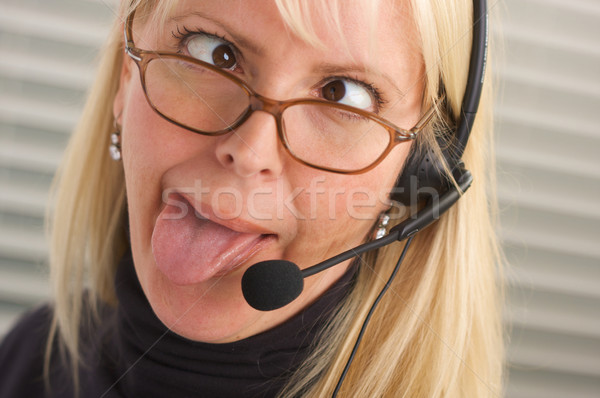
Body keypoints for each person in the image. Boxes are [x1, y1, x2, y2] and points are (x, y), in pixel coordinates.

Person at [0, 0, 503, 397]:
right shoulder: (26, 363)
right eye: (213, 51)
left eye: (342, 94)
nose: (248, 151)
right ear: (125, 76)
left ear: (417, 175)